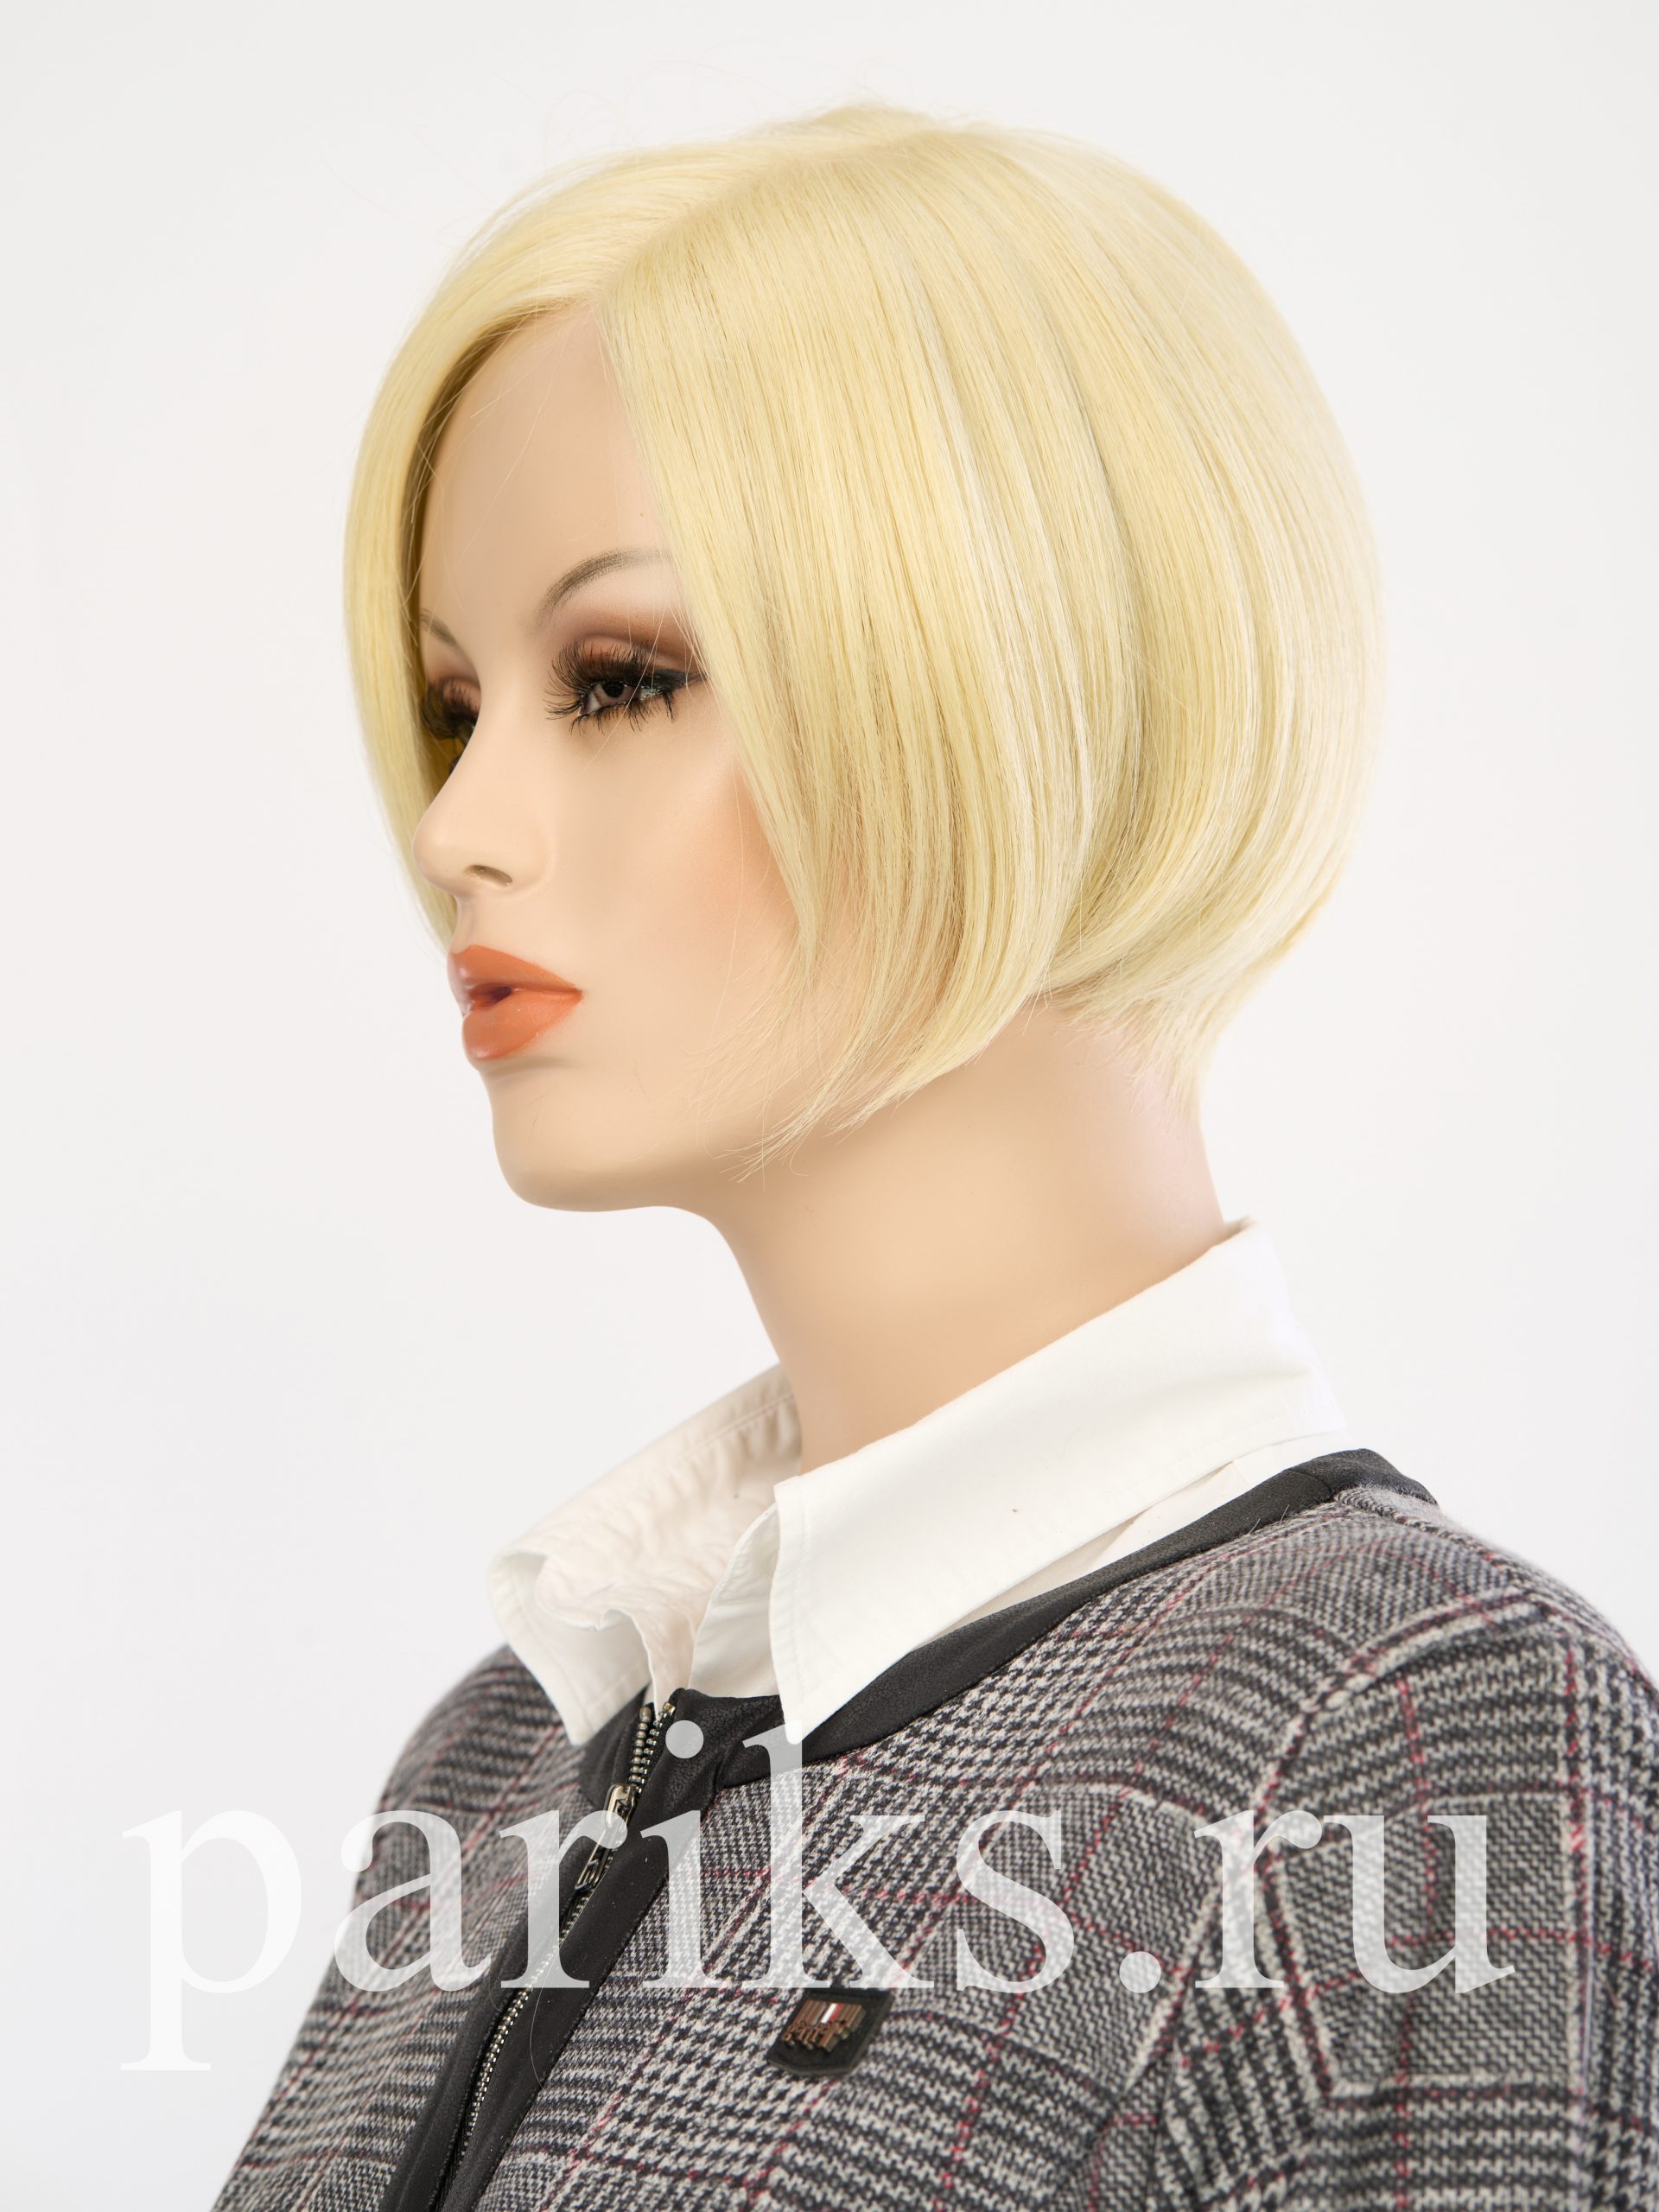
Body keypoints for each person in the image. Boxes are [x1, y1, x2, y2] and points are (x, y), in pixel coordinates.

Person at [215, 102, 1658, 2211]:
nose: (455, 824)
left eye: (620, 677)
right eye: (455, 704)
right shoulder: (510, 1748)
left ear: (1003, 682)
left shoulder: (1418, 1731)